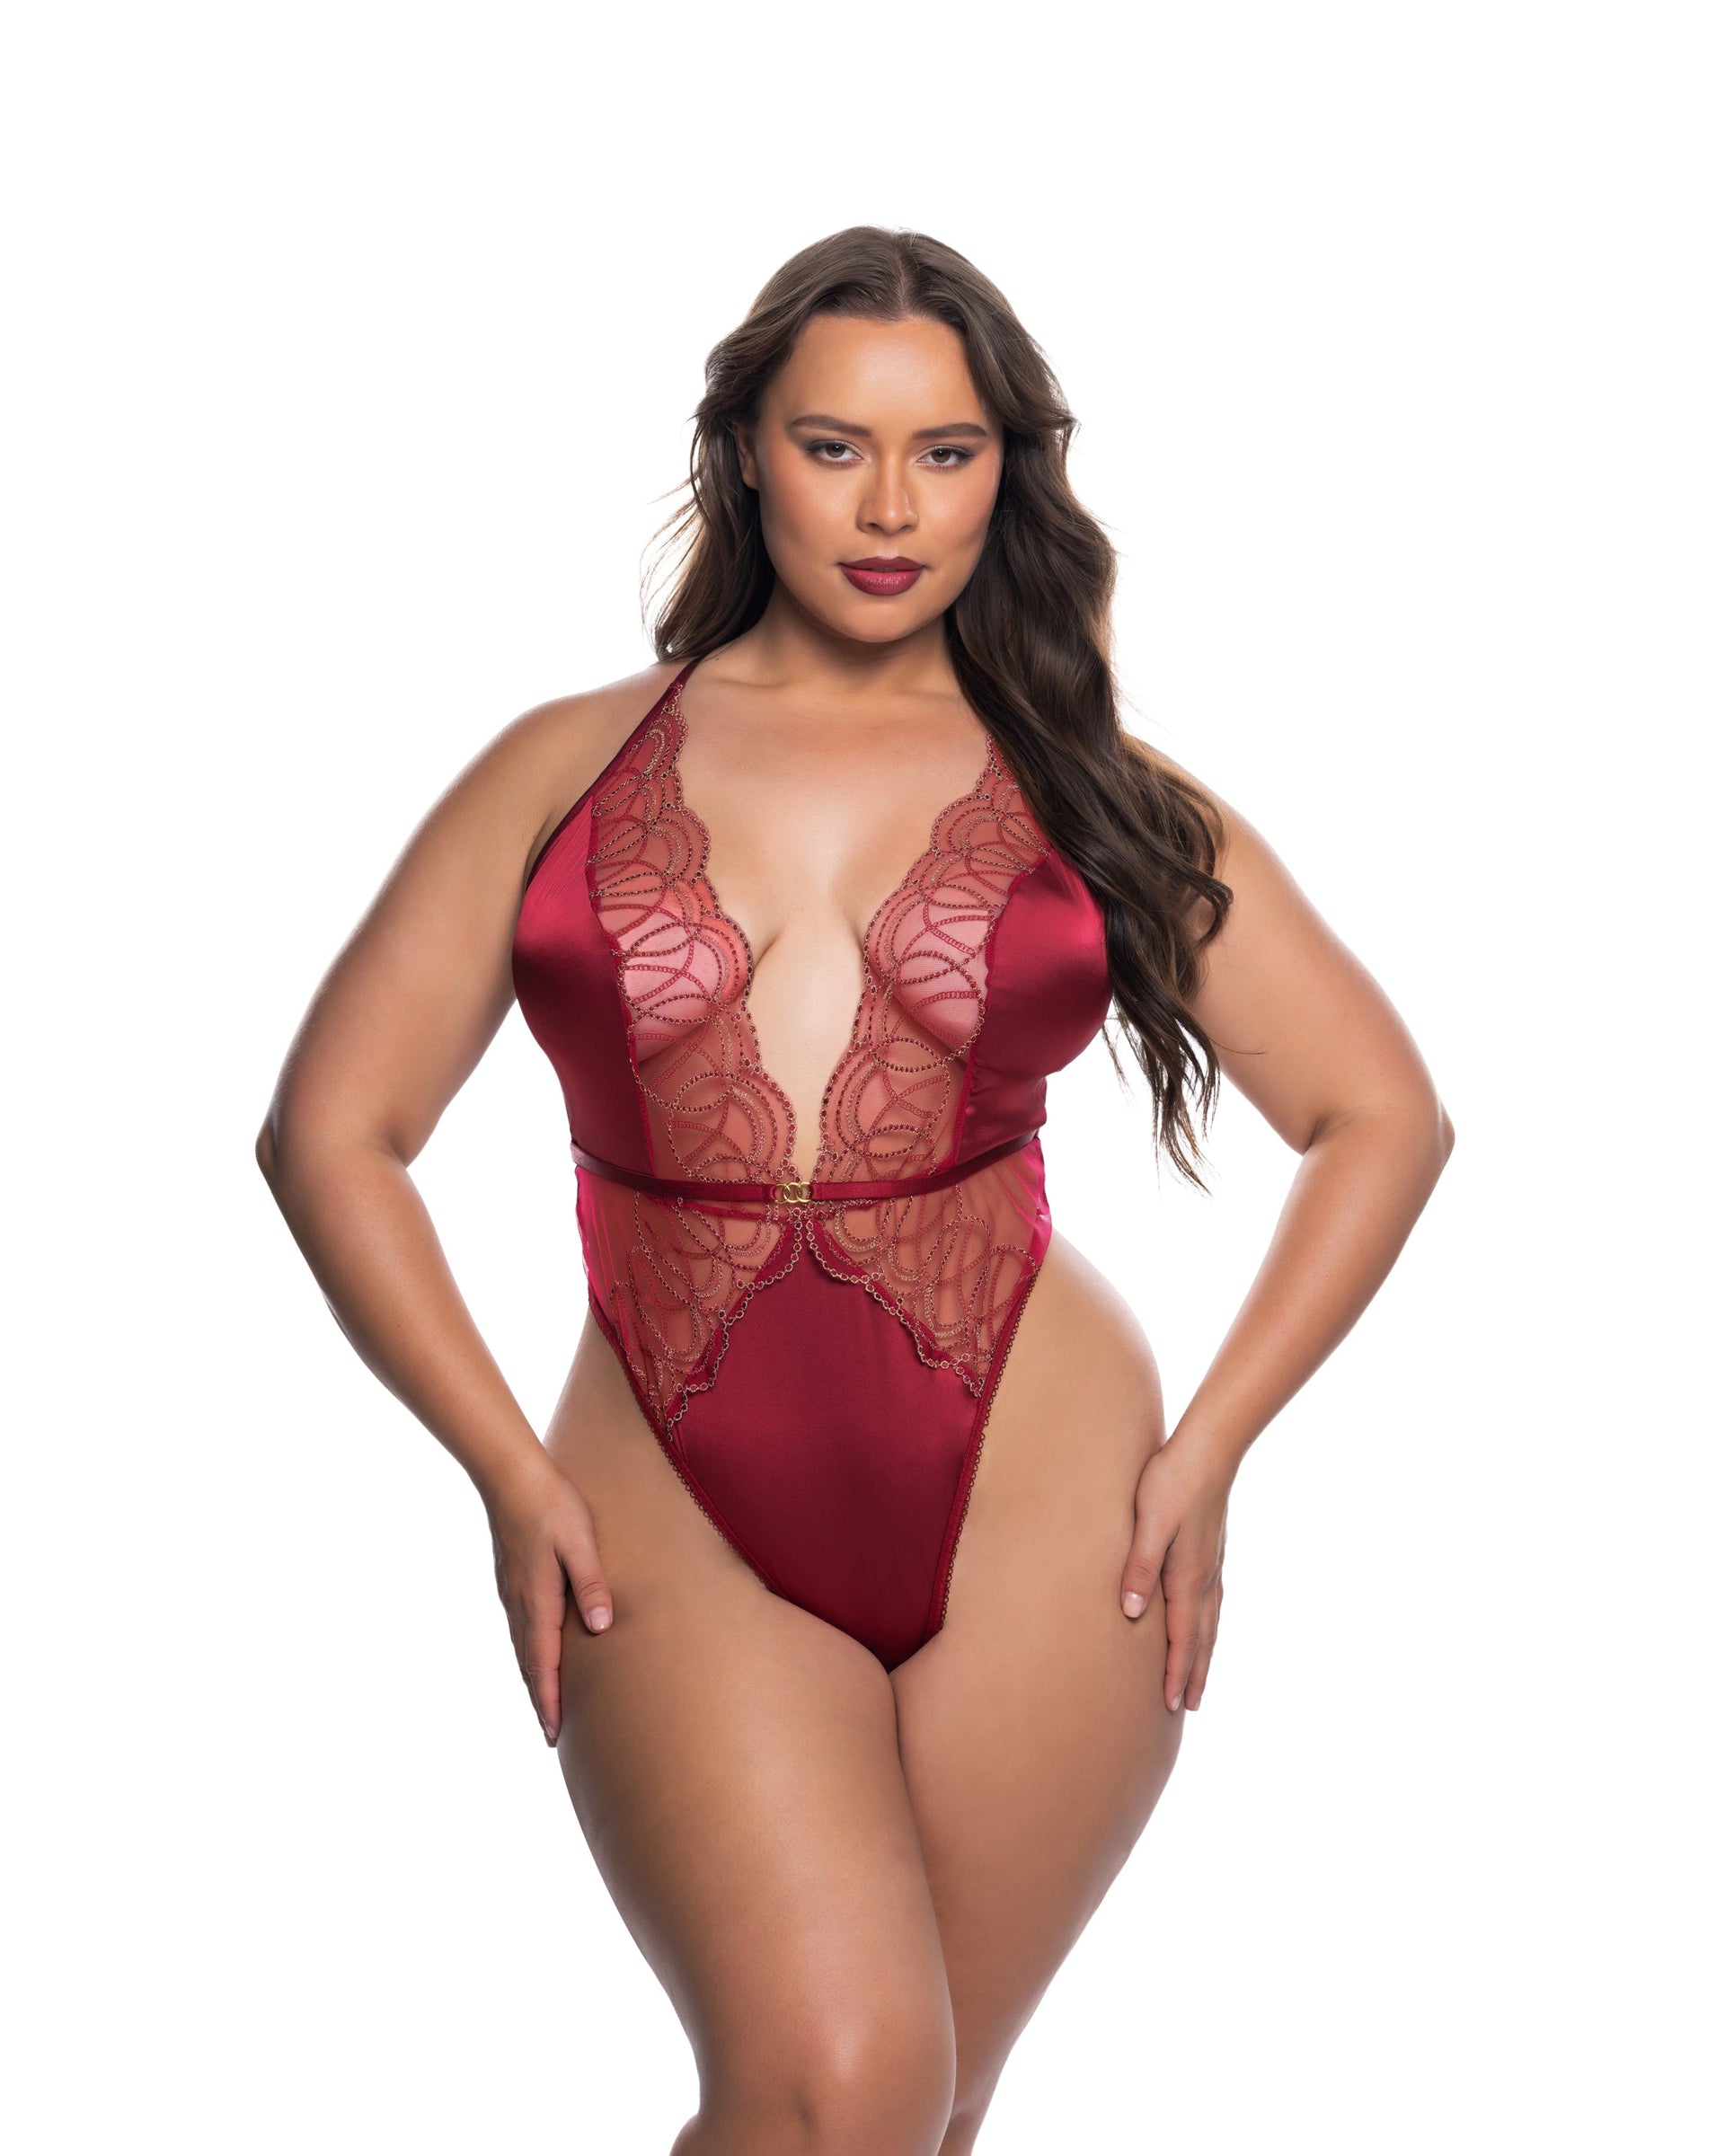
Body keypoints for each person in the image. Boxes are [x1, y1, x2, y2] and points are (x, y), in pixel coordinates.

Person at [257, 225, 1455, 2155]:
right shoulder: (562, 768)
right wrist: (506, 1472)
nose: (892, 509)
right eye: (836, 447)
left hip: (1047, 1485)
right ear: (747, 453)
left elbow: (1379, 1112)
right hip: (664, 1472)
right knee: (834, 2090)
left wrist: (1214, 1447)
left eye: (946, 453)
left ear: (1006, 473)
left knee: (919, 2117)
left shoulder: (1088, 781)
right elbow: (332, 1131)